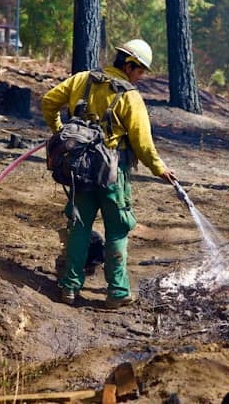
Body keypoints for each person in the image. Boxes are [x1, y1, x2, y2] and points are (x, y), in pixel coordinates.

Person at [41, 39, 176, 309]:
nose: (140, 78)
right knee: (117, 229)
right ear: (129, 65)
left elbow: (48, 101)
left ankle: (69, 287)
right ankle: (117, 291)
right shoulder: (130, 96)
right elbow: (142, 142)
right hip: (114, 174)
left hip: (80, 170)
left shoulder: (82, 79)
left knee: (79, 228)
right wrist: (159, 168)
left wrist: (60, 131)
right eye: (140, 72)